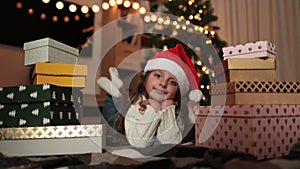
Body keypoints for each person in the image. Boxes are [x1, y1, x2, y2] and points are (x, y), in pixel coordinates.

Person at [97, 43, 202, 149]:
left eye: (172, 82)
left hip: (128, 115)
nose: (163, 83)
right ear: (146, 78)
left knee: (118, 107)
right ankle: (114, 94)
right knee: (110, 123)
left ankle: (117, 93)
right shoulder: (135, 105)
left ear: (177, 92)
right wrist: (154, 108)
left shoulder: (177, 112)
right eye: (158, 76)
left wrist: (168, 110)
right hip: (120, 128)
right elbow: (139, 143)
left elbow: (171, 143)